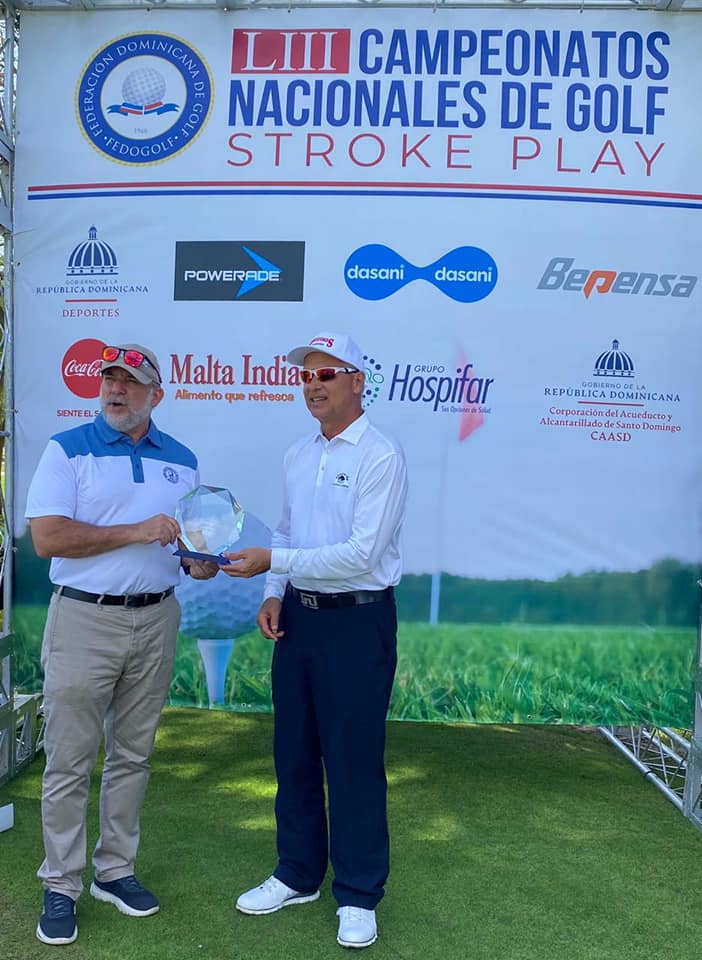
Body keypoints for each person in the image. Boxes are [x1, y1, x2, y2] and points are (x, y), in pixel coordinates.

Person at [221, 331, 408, 949]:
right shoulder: (299, 454)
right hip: (298, 619)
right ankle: (297, 872)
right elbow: (288, 529)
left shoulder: (381, 455)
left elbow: (361, 555)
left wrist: (273, 560)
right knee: (294, 751)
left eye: (327, 374)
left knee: (352, 757)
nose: (313, 384)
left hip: (358, 622)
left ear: (357, 382)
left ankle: (357, 892)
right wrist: (273, 590)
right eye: (306, 375)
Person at [25, 343, 216, 946]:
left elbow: (185, 547)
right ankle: (61, 885)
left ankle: (114, 871)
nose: (116, 389)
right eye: (110, 379)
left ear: (156, 395)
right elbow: (48, 538)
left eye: (130, 382)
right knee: (70, 759)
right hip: (84, 619)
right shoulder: (66, 449)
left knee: (133, 755)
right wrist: (136, 531)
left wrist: (198, 562)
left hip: (156, 618)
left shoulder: (182, 460)